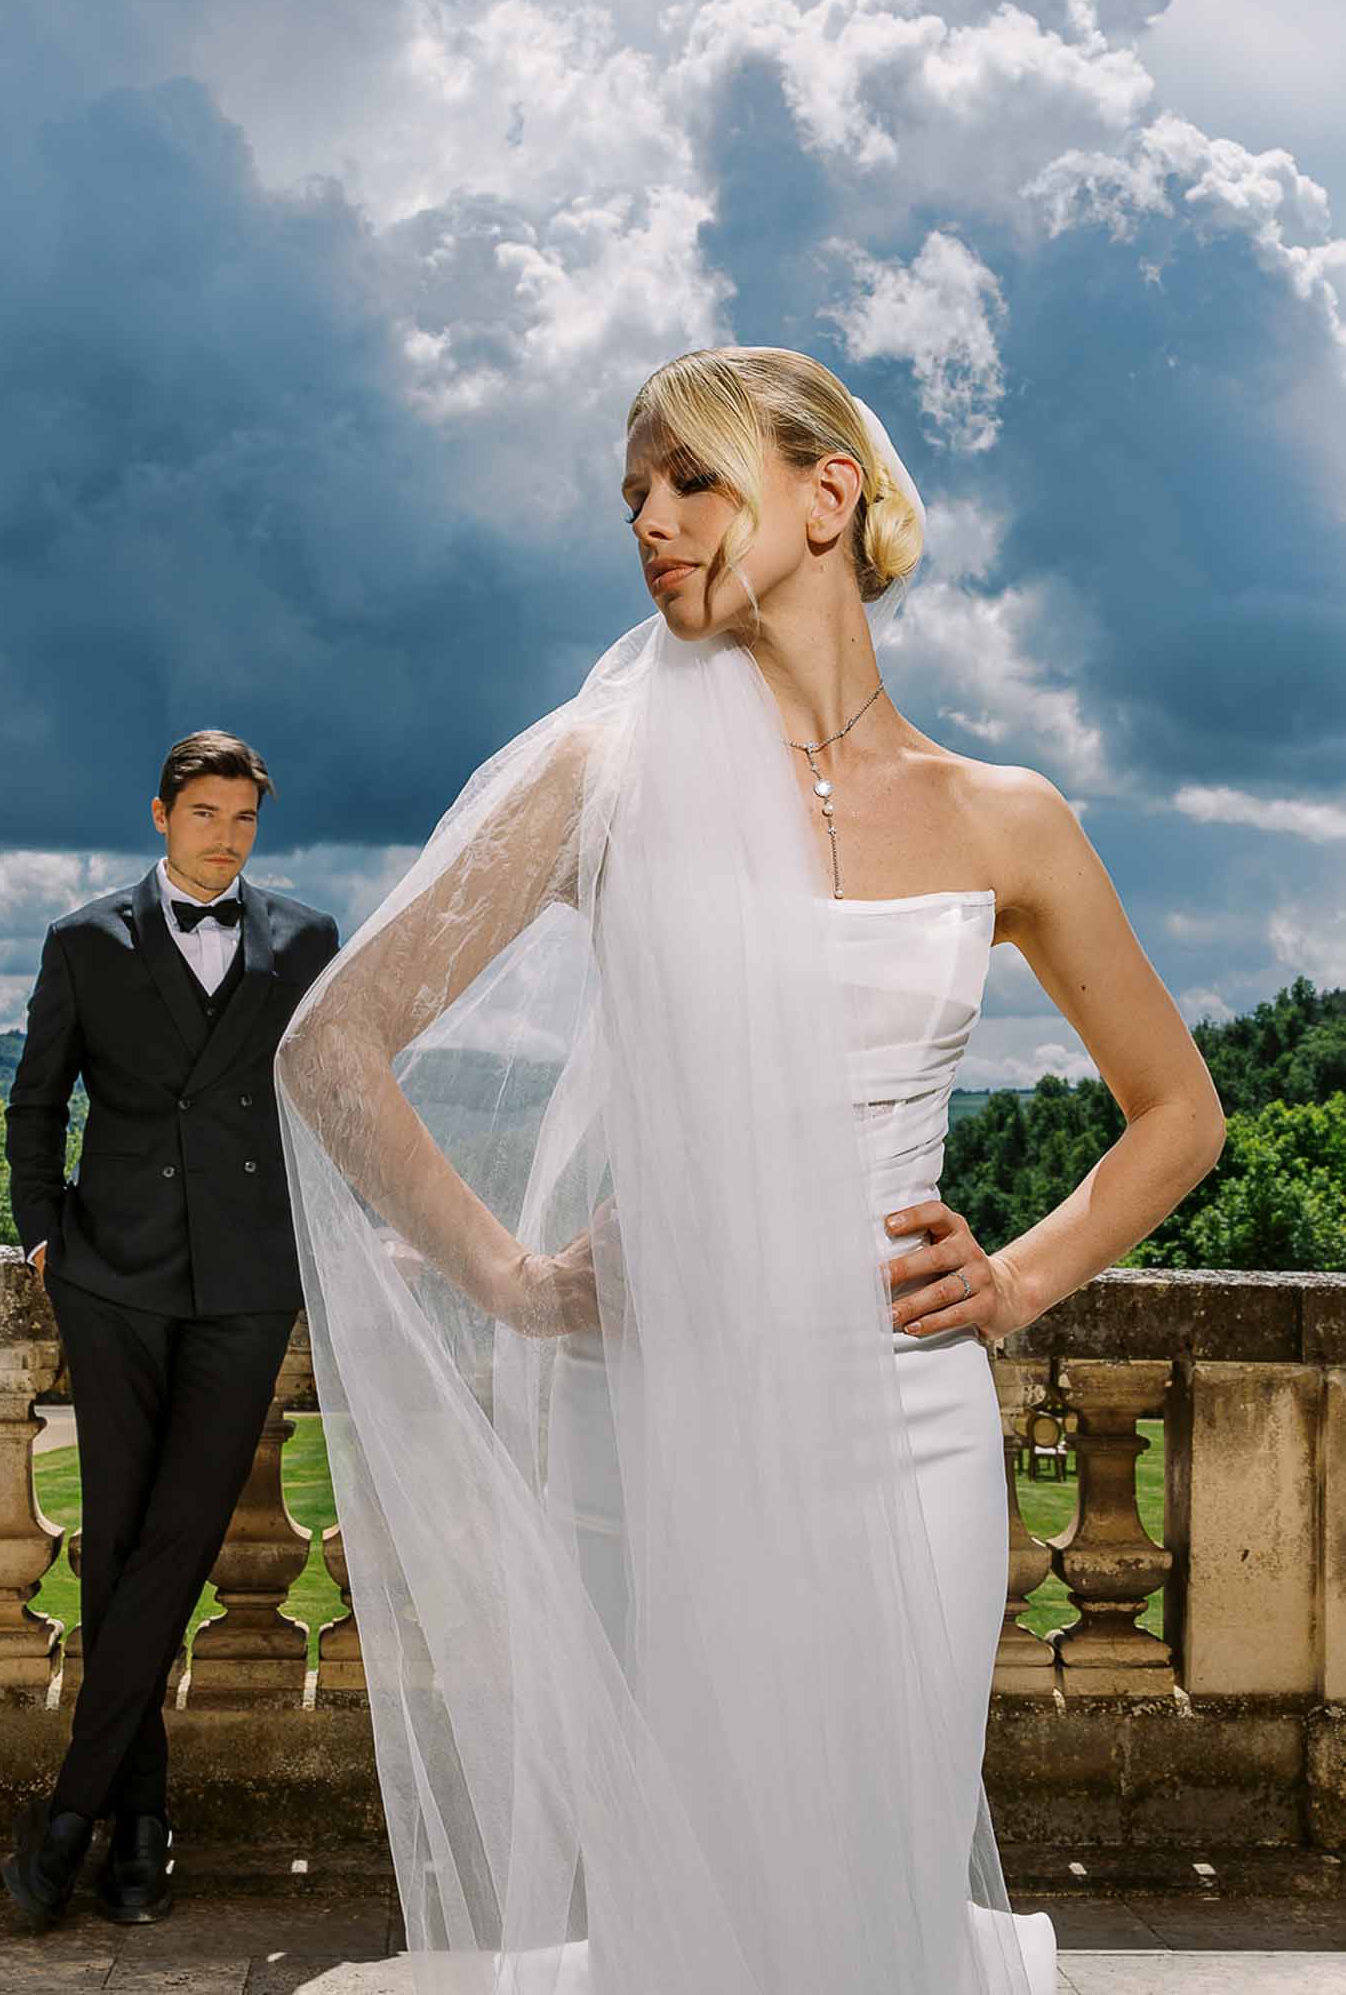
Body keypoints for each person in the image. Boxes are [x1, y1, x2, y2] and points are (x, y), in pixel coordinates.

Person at [276, 348, 1225, 1994]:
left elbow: (1179, 1117)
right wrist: (518, 1280)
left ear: (826, 493)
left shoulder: (1005, 817)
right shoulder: (600, 777)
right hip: (664, 1414)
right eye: (631, 498)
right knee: (697, 1879)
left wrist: (1014, 1279)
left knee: (882, 1859)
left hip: (907, 1422)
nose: (649, 522)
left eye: (691, 480)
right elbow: (331, 1045)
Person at [2, 731, 340, 1931]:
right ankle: (140, 1824)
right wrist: (43, 1236)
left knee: (179, 1539)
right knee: (115, 1543)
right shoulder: (83, 939)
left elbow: (329, 1097)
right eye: (205, 813)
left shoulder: (307, 938)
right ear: (160, 815)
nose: (226, 837)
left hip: (246, 1282)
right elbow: (37, 1102)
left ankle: (72, 1812)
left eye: (244, 818)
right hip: (115, 1278)